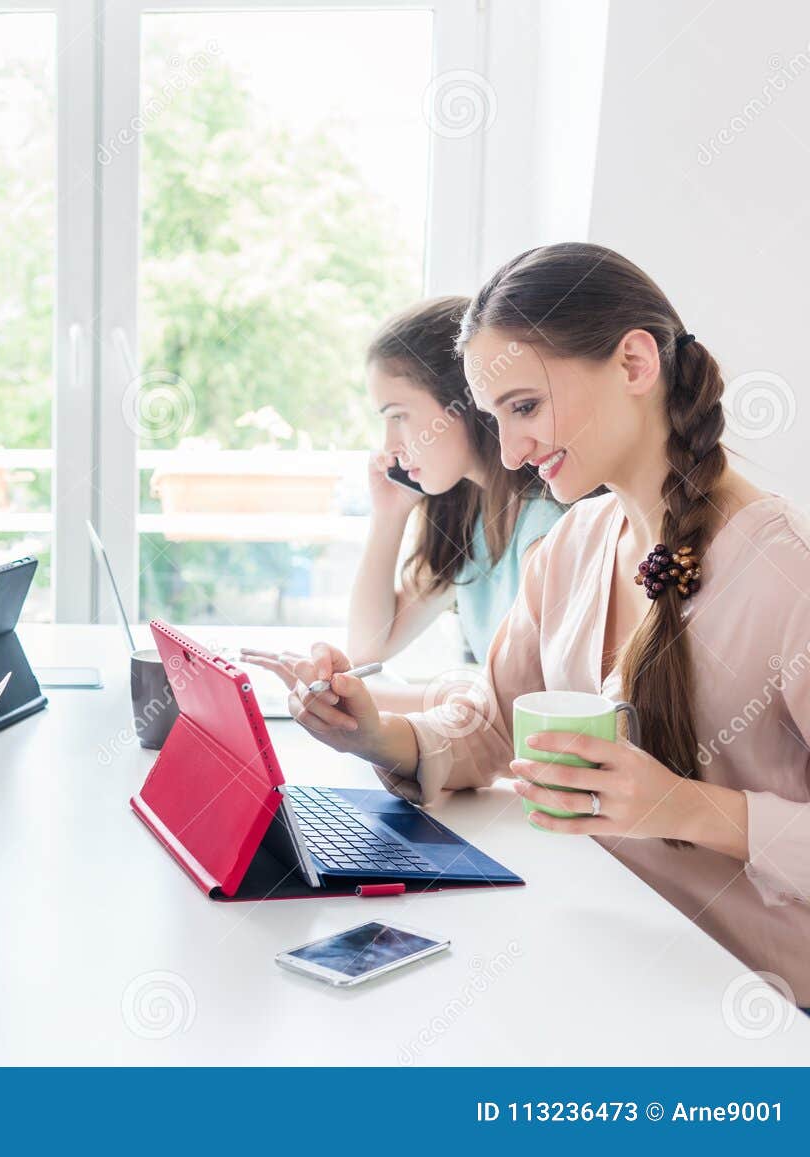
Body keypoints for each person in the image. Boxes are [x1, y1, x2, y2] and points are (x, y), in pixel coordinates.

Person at [260, 242, 810, 1006]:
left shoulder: (790, 576)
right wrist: (376, 734)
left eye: (524, 406)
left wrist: (686, 806)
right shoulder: (573, 547)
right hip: (611, 948)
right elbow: (496, 719)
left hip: (754, 995)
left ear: (633, 364)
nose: (512, 451)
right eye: (495, 418)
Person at [285, 297, 562, 712]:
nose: (389, 447)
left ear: (467, 402)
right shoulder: (469, 512)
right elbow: (369, 647)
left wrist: (355, 694)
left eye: (398, 416)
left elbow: (513, 708)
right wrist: (390, 514)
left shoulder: (546, 525)